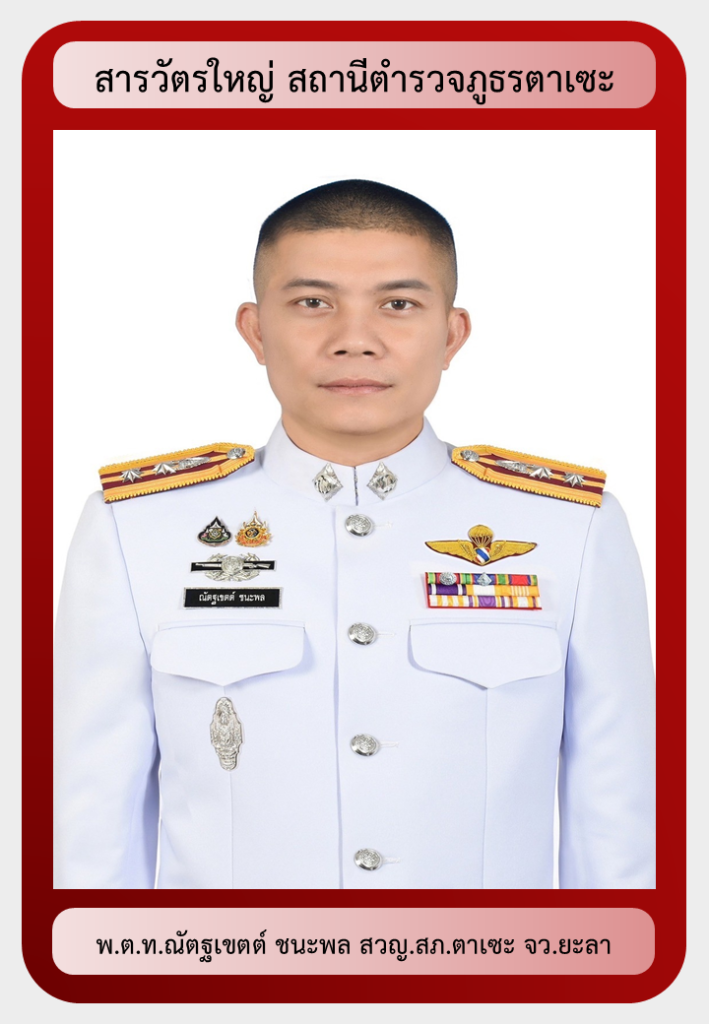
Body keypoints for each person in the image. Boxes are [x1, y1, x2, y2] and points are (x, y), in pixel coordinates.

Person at [54, 179, 655, 889]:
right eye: (313, 303)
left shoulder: (568, 529)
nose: (355, 341)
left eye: (397, 305)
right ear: (255, 330)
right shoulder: (139, 530)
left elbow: (616, 818)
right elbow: (90, 826)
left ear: (451, 334)